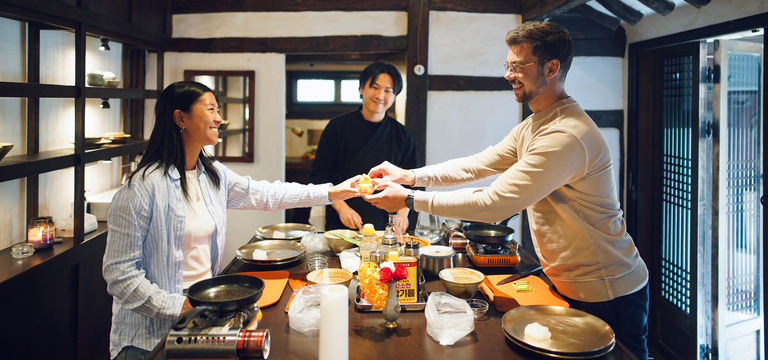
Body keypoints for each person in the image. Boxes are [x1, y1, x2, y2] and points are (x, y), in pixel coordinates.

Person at [364, 22, 650, 360]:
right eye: (508, 65)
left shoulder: (567, 134)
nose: (508, 74)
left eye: (518, 66)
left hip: (607, 288)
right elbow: (477, 164)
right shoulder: (535, 123)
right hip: (568, 280)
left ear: (551, 68)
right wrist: (409, 175)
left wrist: (409, 199)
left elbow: (495, 202)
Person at [102, 81, 359, 360]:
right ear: (180, 119)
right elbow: (120, 277)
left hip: (202, 319)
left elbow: (267, 194)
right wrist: (182, 306)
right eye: (210, 109)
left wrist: (332, 191)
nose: (219, 118)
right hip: (149, 338)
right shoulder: (141, 187)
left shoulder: (212, 174)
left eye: (219, 110)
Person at [309, 61, 421, 232]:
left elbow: (414, 181)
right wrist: (342, 208)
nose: (380, 95)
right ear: (361, 89)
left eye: (388, 90)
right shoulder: (337, 127)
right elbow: (320, 177)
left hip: (390, 223)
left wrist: (404, 212)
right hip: (345, 222)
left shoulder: (402, 134)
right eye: (374, 87)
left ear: (395, 95)